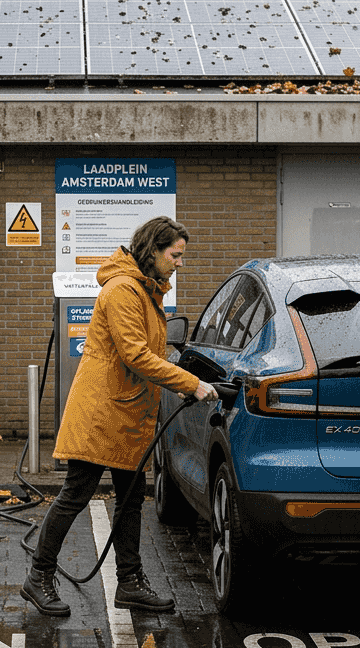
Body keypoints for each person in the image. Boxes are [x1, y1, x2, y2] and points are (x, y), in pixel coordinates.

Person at [22, 216, 218, 617]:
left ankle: (129, 583)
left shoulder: (146, 290)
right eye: (175, 255)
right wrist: (189, 383)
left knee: (130, 499)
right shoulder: (124, 290)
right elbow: (136, 354)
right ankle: (38, 576)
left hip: (126, 413)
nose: (180, 263)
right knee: (76, 494)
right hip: (101, 414)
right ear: (153, 251)